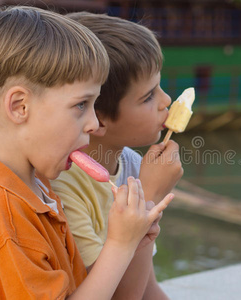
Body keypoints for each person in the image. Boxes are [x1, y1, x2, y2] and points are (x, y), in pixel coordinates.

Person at [0, 6, 173, 299]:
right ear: (19, 106)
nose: (92, 123)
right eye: (80, 105)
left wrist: (135, 241)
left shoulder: (37, 190)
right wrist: (121, 243)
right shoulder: (2, 218)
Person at [51, 12, 183, 300]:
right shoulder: (64, 188)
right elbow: (122, 297)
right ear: (96, 117)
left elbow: (148, 288)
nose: (166, 101)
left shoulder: (133, 165)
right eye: (148, 97)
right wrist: (149, 197)